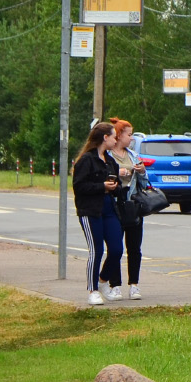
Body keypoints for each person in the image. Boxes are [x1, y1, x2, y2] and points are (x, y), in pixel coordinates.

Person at [72, 122, 123, 306]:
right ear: (105, 138)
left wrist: (115, 187)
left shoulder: (110, 161)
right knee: (96, 250)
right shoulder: (86, 160)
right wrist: (101, 186)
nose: (116, 139)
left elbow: (117, 187)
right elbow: (79, 186)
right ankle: (92, 290)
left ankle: (103, 281)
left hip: (109, 209)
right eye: (114, 136)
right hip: (91, 210)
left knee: (117, 249)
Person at [109, 117, 146, 300]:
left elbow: (144, 183)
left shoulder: (133, 155)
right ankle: (115, 285)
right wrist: (117, 173)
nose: (131, 139)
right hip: (114, 205)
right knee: (115, 248)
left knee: (134, 247)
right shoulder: (107, 156)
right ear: (118, 135)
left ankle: (134, 285)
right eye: (129, 135)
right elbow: (101, 176)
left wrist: (142, 171)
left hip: (132, 206)